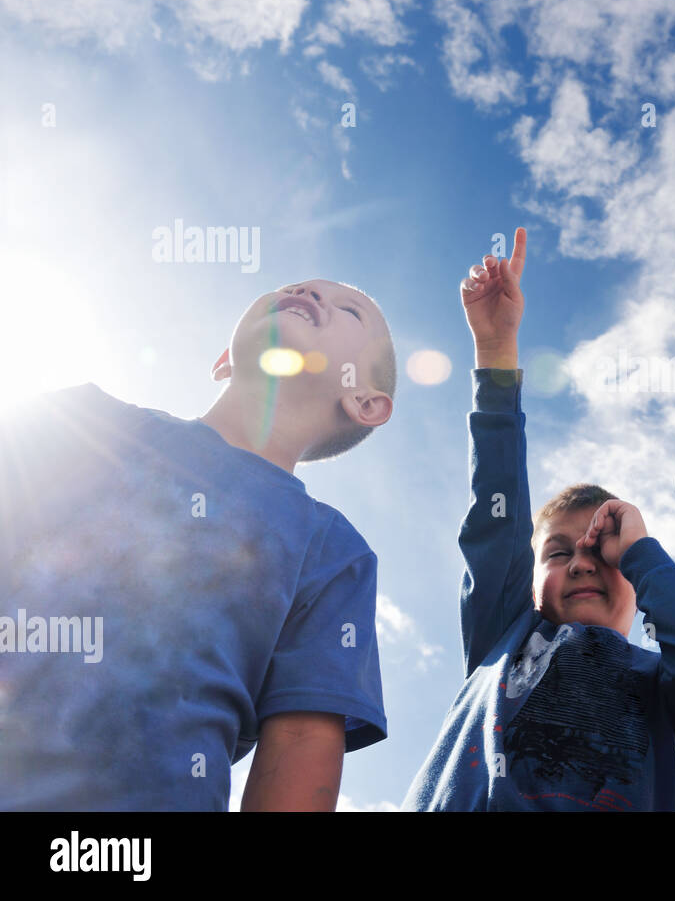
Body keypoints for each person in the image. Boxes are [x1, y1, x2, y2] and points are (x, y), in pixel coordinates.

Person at [0, 279, 395, 810]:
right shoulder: (80, 420)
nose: (310, 293)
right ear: (223, 359)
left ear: (365, 400)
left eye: (350, 309)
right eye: (298, 288)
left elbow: (301, 739)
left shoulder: (333, 551)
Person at [401, 229, 675, 811]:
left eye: (603, 554)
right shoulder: (505, 638)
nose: (580, 562)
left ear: (638, 582)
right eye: (557, 552)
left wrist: (642, 550)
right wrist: (496, 354)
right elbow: (494, 518)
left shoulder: (665, 688)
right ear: (525, 582)